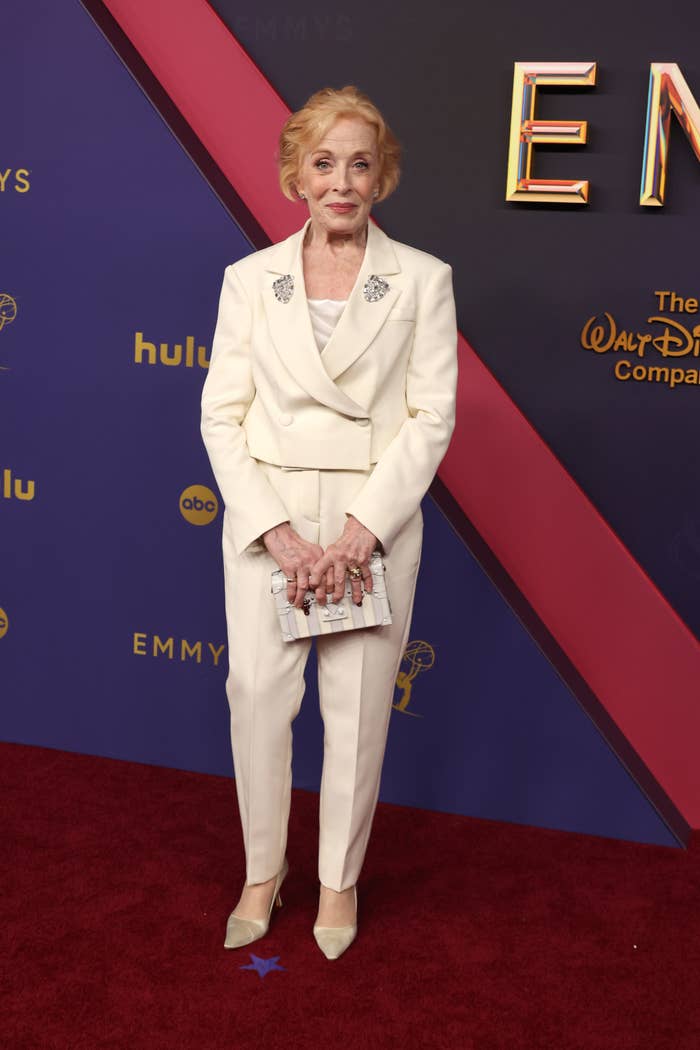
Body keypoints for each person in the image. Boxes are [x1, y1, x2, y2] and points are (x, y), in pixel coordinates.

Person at [201, 85, 457, 960]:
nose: (341, 182)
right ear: (295, 176)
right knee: (256, 701)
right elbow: (221, 416)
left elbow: (431, 417)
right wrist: (276, 532)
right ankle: (262, 874)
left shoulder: (423, 279)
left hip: (369, 526)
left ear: (381, 177)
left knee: (357, 711)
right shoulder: (248, 281)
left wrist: (361, 530)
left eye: (359, 164)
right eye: (323, 164)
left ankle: (338, 882)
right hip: (269, 524)